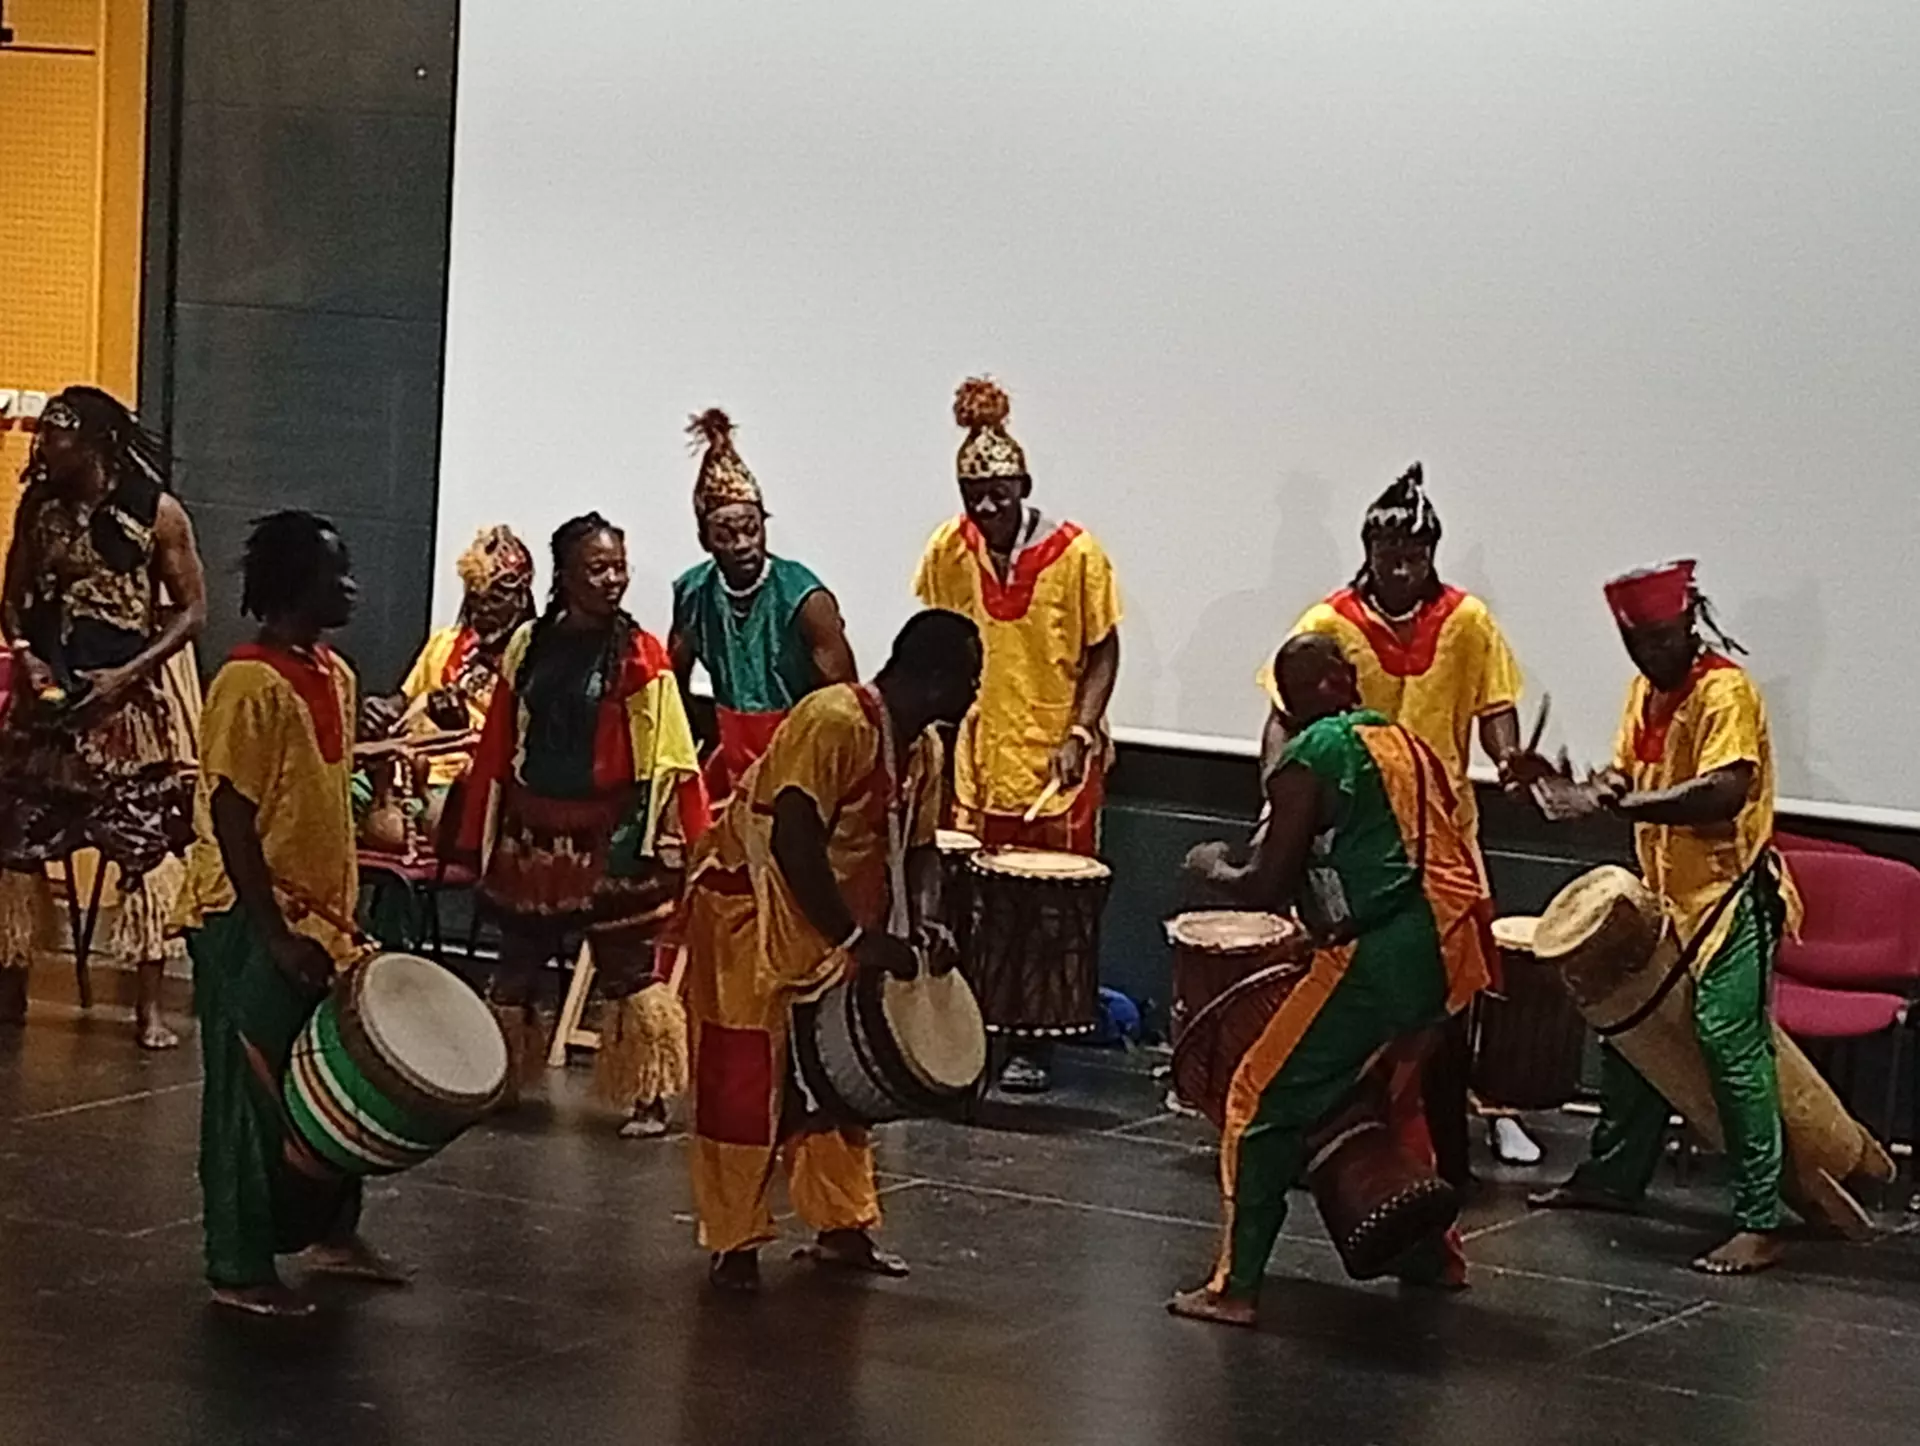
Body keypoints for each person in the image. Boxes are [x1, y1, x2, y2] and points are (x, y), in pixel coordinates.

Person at [1172, 634, 1494, 1327]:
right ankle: (1434, 1259)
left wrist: (1209, 867)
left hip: (1376, 957)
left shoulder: (1317, 752)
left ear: (1311, 689)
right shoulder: (1406, 745)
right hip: (1445, 955)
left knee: (1257, 1099)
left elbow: (1267, 881)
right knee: (1389, 1106)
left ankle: (1235, 1288)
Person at [684, 609, 982, 1294]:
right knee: (747, 1078)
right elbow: (793, 837)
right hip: (748, 913)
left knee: (835, 1072)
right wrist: (857, 939)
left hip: (828, 924)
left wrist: (925, 925)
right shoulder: (835, 720)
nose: (974, 693)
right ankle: (734, 1241)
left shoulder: (922, 750)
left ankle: (841, 1226)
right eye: (970, 678)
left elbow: (923, 849)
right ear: (932, 680)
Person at [1257, 462, 1544, 1167]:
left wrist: (1511, 764)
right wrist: (1277, 794)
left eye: (1416, 559)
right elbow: (1282, 719)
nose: (1403, 571)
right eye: (1391, 559)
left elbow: (1496, 710)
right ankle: (1346, 1128)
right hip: (1357, 842)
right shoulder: (1328, 624)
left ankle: (1479, 1110)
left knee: (1453, 990)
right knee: (1345, 985)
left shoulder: (1469, 621)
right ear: (1369, 554)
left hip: (1445, 838)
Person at [1528, 561, 1798, 1277]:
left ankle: (1760, 1218)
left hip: (1729, 895)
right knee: (1633, 1037)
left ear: (1689, 621)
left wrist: (1620, 805)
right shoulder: (1645, 695)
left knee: (1728, 1045)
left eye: (1660, 637)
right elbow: (1630, 775)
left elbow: (1723, 791)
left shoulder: (1724, 691)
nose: (1650, 652)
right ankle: (1615, 1180)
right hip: (1664, 895)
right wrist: (1584, 788)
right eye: (1636, 642)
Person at [173, 511, 402, 1317]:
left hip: (321, 920)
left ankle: (330, 1232)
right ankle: (236, 1265)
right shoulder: (245, 683)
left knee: (335, 1086)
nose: (351, 587)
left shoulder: (333, 674)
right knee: (248, 1096)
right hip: (249, 919)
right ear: (295, 585)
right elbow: (232, 813)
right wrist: (272, 933)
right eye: (336, 574)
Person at [458, 513, 710, 1136]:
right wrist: (485, 827)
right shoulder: (529, 646)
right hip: (534, 830)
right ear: (566, 577)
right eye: (597, 568)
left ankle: (648, 1096)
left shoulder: (640, 652)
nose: (613, 579)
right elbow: (502, 739)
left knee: (626, 969)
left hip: (612, 831)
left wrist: (662, 834)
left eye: (618, 566)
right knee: (516, 963)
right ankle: (504, 1079)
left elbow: (668, 748)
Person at [912, 376, 1120, 1094]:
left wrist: (1083, 729)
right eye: (975, 495)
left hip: (1051, 755)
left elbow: (1103, 649)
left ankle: (1035, 1043)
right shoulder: (951, 547)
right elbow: (936, 639)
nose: (987, 507)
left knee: (1040, 910)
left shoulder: (1076, 553)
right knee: (970, 902)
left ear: (1024, 483)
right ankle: (968, 1034)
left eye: (1000, 492)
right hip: (974, 751)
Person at [0, 386, 207, 1049]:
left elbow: (191, 611)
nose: (44, 448)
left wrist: (130, 673)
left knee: (144, 852)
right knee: (16, 843)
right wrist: (27, 659)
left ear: (94, 442)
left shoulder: (156, 514)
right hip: (51, 709)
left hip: (125, 711)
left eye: (57, 437)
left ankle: (147, 1009)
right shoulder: (40, 510)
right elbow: (13, 599)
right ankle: (11, 984)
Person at [669, 408, 857, 800]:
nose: (743, 545)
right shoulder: (692, 594)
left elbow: (844, 706)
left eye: (752, 530)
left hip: (800, 767)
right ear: (704, 539)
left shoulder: (805, 598)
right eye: (726, 534)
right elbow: (674, 687)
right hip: (732, 768)